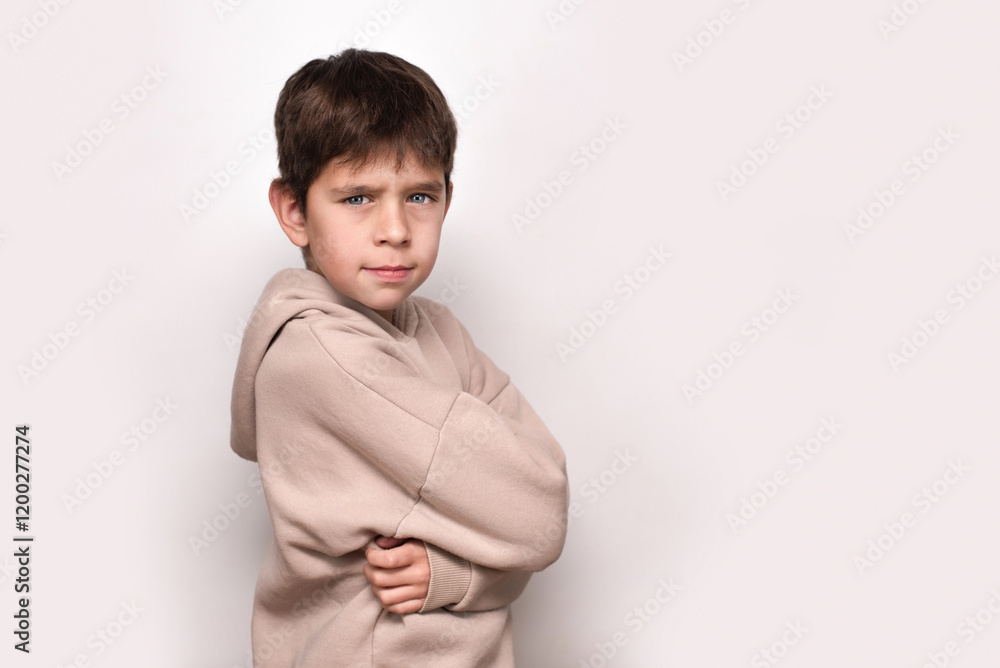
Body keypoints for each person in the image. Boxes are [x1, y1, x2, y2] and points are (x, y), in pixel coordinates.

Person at [229, 48, 569, 667]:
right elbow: (538, 511)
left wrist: (456, 576)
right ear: (294, 211)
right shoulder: (320, 357)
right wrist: (488, 537)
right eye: (357, 198)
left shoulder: (439, 330)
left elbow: (532, 522)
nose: (396, 228)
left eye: (419, 195)